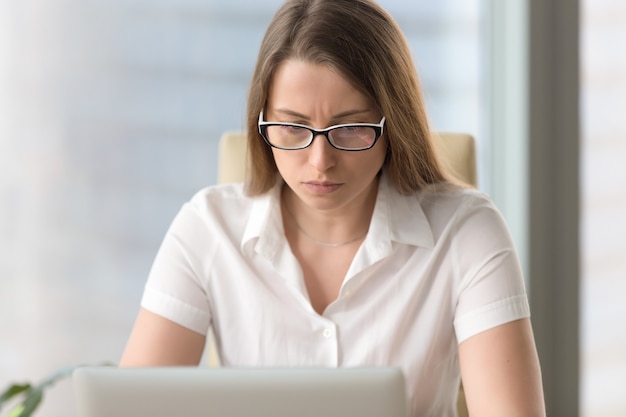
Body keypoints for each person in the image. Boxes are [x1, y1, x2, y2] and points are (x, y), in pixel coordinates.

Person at [120, 0, 546, 416]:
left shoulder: (467, 232)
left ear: (393, 122)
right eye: (291, 127)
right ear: (261, 121)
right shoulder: (207, 229)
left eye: (352, 128)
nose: (320, 161)